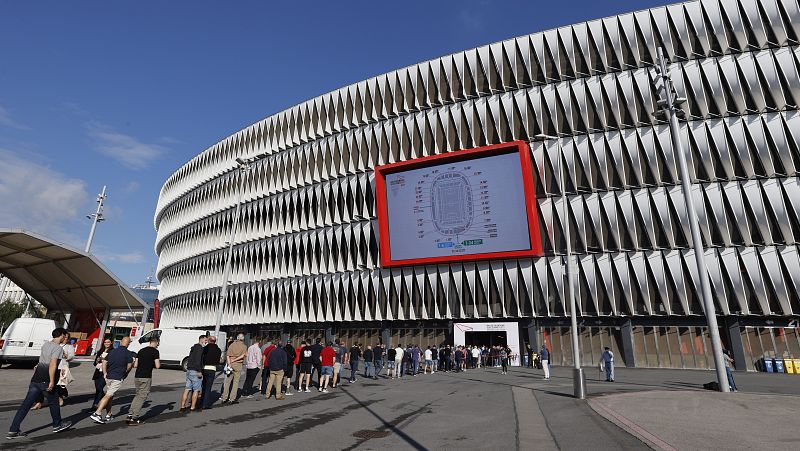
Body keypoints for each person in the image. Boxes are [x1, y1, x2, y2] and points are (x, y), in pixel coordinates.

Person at [7, 327, 73, 439]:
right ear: (61, 335)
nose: (65, 338)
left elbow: (42, 360)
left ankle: (13, 430)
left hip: (36, 379)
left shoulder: (46, 344)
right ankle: (57, 425)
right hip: (46, 380)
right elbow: (52, 364)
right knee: (53, 402)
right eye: (64, 336)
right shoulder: (58, 348)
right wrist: (52, 381)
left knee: (25, 405)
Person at [91, 336, 134, 424]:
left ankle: (109, 414)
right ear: (128, 344)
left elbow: (104, 362)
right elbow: (130, 365)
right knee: (108, 395)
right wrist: (126, 373)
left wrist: (105, 373)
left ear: (121, 342)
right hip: (117, 377)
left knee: (110, 395)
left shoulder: (113, 351)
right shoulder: (128, 353)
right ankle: (97, 413)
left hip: (109, 376)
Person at [127, 336, 161, 425]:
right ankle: (134, 418)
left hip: (137, 376)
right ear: (157, 342)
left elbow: (135, 365)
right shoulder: (155, 352)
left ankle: (130, 414)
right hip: (146, 376)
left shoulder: (141, 350)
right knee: (142, 397)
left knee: (137, 395)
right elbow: (157, 366)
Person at [179, 335, 207, 412]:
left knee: (187, 389)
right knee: (196, 390)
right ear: (201, 340)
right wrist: (199, 371)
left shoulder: (193, 347)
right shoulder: (200, 348)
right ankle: (192, 407)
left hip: (189, 370)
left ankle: (182, 406)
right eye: (205, 340)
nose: (206, 342)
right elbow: (198, 360)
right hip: (195, 371)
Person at [221, 333, 247, 403]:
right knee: (236, 382)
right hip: (238, 364)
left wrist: (229, 364)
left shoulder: (232, 345)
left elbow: (228, 355)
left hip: (230, 364)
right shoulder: (244, 346)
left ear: (237, 338)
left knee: (227, 382)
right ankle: (232, 399)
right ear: (243, 339)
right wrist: (235, 360)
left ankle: (224, 398)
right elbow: (243, 356)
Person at [90, 338, 114, 410]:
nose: (107, 343)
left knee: (100, 388)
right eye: (105, 342)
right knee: (98, 389)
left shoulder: (113, 351)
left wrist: (105, 362)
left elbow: (112, 363)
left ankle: (95, 404)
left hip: (105, 372)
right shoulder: (100, 351)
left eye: (108, 342)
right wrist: (97, 361)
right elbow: (94, 363)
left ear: (111, 343)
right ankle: (105, 401)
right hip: (98, 372)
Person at [200, 335, 222, 409]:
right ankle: (205, 404)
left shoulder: (205, 348)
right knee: (208, 387)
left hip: (204, 368)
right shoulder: (218, 350)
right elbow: (218, 361)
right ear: (215, 341)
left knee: (204, 386)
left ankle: (201, 401)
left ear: (209, 341)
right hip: (212, 368)